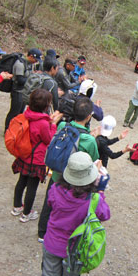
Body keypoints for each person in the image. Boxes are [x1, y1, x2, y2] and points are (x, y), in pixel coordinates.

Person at [38, 151, 110, 276]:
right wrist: (101, 193)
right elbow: (105, 214)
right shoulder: (92, 200)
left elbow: (50, 203)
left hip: (51, 243)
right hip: (74, 250)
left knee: (49, 274)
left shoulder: (55, 189)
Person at [38, 96, 100, 242]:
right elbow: (92, 158)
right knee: (67, 206)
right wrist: (93, 136)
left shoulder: (62, 126)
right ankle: (63, 235)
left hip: (56, 174)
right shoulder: (89, 140)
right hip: (73, 179)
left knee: (49, 201)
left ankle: (42, 232)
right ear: (89, 116)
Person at [10, 89, 62, 222]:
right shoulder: (43, 123)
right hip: (36, 158)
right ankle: (27, 213)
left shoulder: (27, 115)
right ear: (46, 106)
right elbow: (48, 139)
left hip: (25, 154)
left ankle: (16, 206)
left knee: (21, 181)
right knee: (32, 187)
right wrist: (54, 125)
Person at [4, 48, 42, 131]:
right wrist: (31, 78)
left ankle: (15, 128)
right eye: (35, 59)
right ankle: (7, 128)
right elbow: (20, 79)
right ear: (31, 56)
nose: (36, 62)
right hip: (17, 91)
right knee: (14, 111)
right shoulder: (20, 64)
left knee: (20, 112)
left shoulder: (29, 64)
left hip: (23, 91)